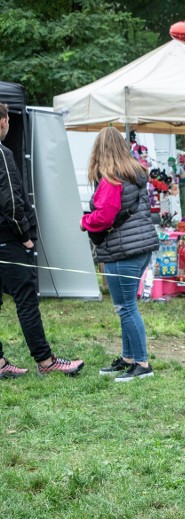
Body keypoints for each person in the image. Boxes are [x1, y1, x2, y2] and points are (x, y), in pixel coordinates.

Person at [0, 102, 84, 378]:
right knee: (26, 300)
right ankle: (46, 361)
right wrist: (24, 237)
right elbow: (11, 201)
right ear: (3, 122)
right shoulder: (2, 153)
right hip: (8, 242)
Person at [81, 126, 160, 382]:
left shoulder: (112, 178)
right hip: (139, 248)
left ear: (100, 150)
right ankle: (128, 358)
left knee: (126, 307)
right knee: (125, 307)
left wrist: (85, 221)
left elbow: (104, 216)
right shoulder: (133, 173)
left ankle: (142, 364)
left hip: (123, 251)